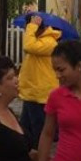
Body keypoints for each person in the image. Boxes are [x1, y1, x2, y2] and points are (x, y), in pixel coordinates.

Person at [18, 14, 61, 149]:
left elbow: (28, 46)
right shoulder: (37, 40)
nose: (27, 31)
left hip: (41, 93)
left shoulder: (49, 42)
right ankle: (28, 152)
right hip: (31, 91)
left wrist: (32, 26)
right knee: (25, 128)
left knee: (38, 129)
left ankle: (40, 154)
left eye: (28, 28)